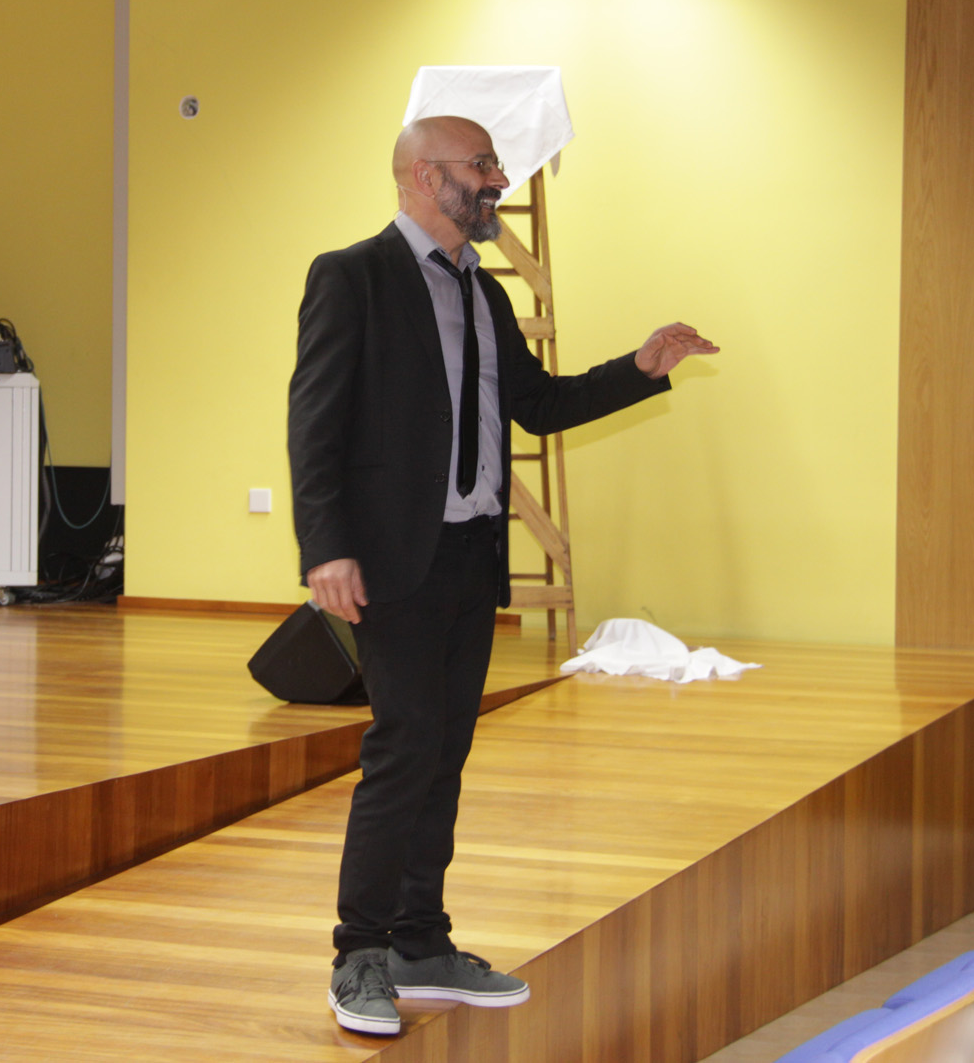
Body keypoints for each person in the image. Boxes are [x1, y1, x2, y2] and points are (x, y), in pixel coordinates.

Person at [288, 116, 719, 1035]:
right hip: (391, 561)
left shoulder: (482, 292)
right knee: (405, 747)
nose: (495, 179)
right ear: (423, 175)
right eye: (480, 165)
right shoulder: (352, 276)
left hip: (469, 556)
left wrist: (641, 367)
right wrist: (325, 547)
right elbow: (314, 421)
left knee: (443, 751)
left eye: (494, 164)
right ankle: (359, 954)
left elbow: (538, 404)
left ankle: (421, 940)